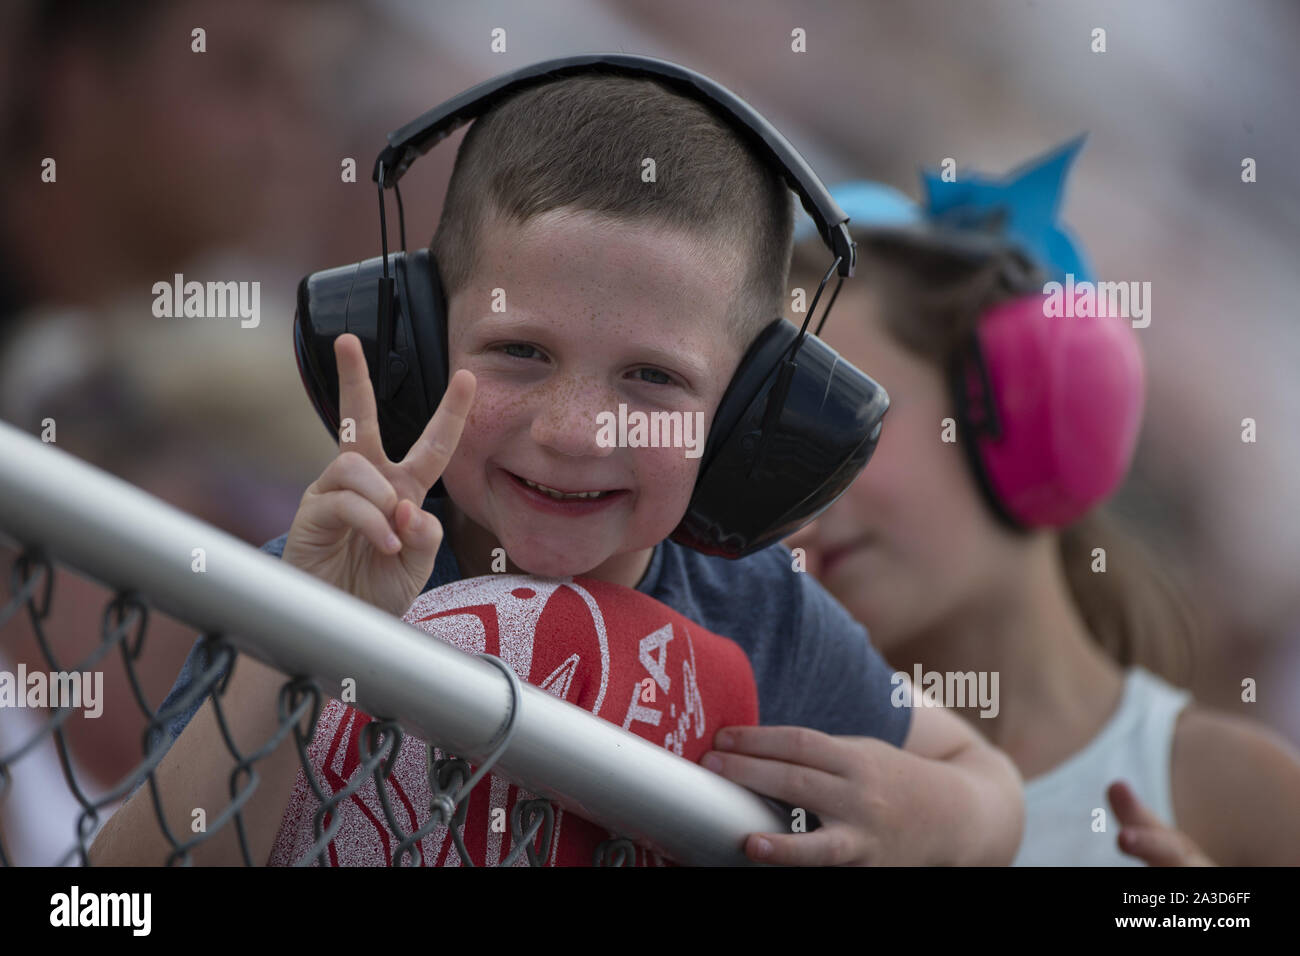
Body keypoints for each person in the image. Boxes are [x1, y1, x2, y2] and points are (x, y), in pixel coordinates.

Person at [88, 66, 1023, 867]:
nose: (576, 432)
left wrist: (939, 821)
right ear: (411, 343)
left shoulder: (761, 615)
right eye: (520, 353)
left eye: (653, 378)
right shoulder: (319, 575)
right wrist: (304, 638)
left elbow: (990, 787)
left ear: (746, 420)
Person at [786, 141, 1300, 865]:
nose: (796, 502)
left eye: (846, 416)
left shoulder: (1236, 797)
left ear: (1014, 407)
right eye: (765, 453)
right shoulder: (761, 760)